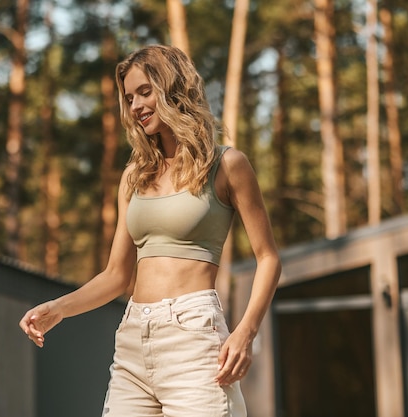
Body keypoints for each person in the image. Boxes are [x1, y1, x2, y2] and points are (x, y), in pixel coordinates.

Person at [19, 44, 281, 417]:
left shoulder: (226, 165)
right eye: (129, 97)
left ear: (174, 89)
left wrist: (245, 332)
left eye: (145, 91)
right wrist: (58, 308)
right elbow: (115, 275)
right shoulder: (135, 175)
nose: (136, 105)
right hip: (133, 339)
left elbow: (268, 258)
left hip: (193, 338)